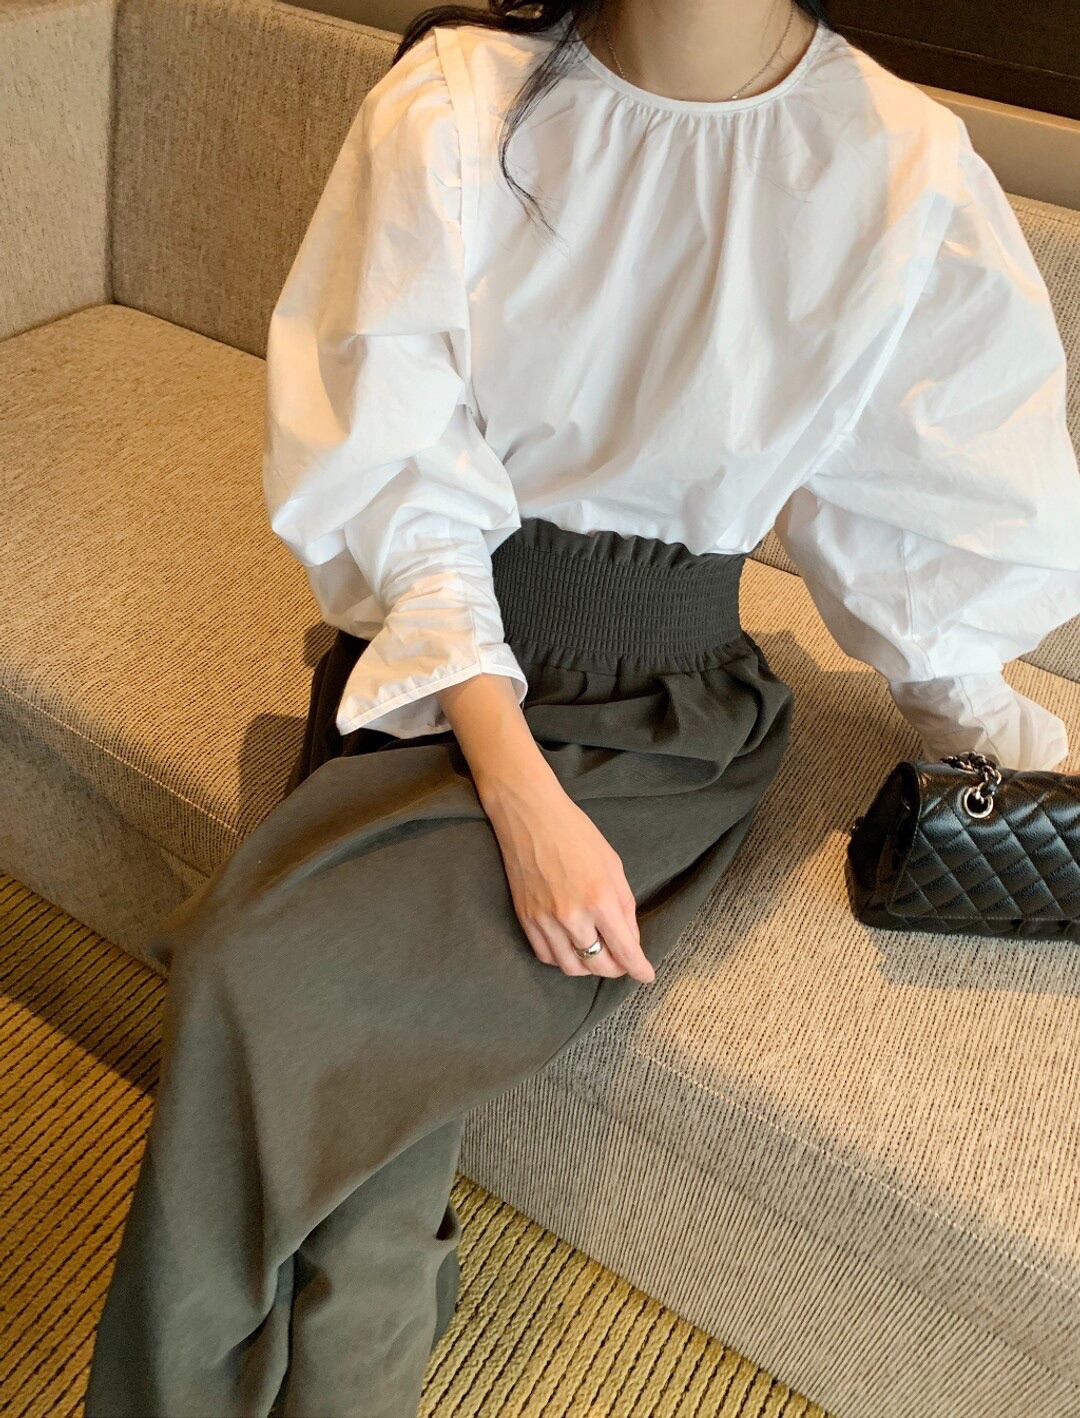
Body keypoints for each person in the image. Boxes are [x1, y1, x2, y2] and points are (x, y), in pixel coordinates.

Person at [84, 0, 1080, 1414]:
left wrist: (1002, 754)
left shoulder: (902, 165)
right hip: (439, 653)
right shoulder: (456, 102)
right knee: (307, 1041)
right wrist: (518, 792)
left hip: (661, 718)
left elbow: (929, 513)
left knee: (259, 976)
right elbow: (398, 468)